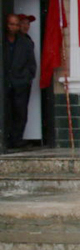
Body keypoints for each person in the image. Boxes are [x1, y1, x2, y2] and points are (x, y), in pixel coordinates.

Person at [3, 13, 36, 149]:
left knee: (20, 112)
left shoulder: (26, 42)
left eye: (17, 24)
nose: (14, 27)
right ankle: (5, 140)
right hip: (4, 83)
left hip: (20, 83)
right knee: (6, 111)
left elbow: (31, 64)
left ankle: (16, 140)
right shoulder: (3, 41)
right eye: (12, 24)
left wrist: (26, 79)